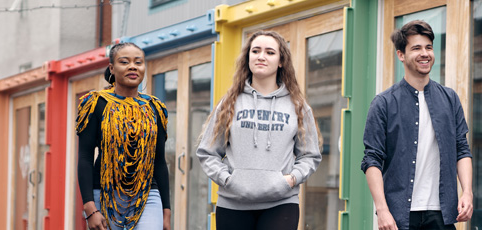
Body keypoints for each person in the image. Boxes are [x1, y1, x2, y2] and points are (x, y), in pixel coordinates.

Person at [195, 31, 322, 230]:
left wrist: (290, 179)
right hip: (233, 203)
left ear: (281, 61)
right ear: (248, 58)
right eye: (255, 51)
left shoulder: (297, 106)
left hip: (281, 203)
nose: (261, 56)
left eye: (270, 52)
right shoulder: (229, 103)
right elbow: (207, 152)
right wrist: (228, 179)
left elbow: (310, 155)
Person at [362, 20, 474, 230]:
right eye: (416, 48)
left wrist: (467, 191)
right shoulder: (383, 103)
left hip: (442, 213)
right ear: (401, 55)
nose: (425, 53)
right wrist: (382, 209)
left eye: (428, 47)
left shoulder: (450, 99)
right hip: (399, 216)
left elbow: (462, 149)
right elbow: (372, 159)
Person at [76, 42, 172, 230]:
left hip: (147, 195)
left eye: (138, 62)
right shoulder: (96, 104)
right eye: (124, 62)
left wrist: (166, 211)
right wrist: (89, 207)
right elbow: (85, 158)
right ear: (112, 68)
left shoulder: (155, 108)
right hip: (104, 194)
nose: (133, 67)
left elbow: (159, 161)